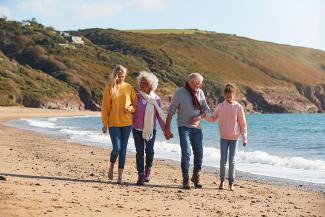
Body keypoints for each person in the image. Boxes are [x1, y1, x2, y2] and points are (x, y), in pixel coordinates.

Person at [165, 73, 210, 190]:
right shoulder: (180, 92)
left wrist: (198, 117)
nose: (199, 85)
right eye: (197, 83)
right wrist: (167, 128)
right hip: (183, 127)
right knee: (186, 152)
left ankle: (196, 176)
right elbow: (171, 111)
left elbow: (205, 110)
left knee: (199, 153)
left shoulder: (200, 93)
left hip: (197, 128)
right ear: (190, 82)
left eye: (200, 83)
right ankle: (185, 179)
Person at [205, 84, 247, 191]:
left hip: (234, 138)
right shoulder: (220, 106)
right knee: (223, 160)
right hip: (223, 137)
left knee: (232, 160)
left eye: (230, 96)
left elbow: (242, 124)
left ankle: (231, 183)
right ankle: (222, 181)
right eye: (227, 96)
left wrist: (244, 137)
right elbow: (213, 118)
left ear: (234, 95)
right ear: (224, 95)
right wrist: (204, 116)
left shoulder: (238, 107)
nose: (229, 98)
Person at [101, 65, 137, 184]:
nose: (122, 78)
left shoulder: (129, 87)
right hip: (113, 123)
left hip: (127, 123)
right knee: (117, 148)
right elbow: (105, 107)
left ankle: (120, 177)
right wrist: (105, 124)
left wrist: (130, 109)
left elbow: (135, 104)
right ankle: (111, 166)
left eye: (124, 76)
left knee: (123, 150)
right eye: (120, 76)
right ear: (115, 75)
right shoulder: (109, 87)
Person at [132, 71, 169, 185]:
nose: (142, 85)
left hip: (150, 129)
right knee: (139, 152)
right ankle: (141, 174)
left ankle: (148, 169)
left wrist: (165, 129)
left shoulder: (156, 99)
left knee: (149, 151)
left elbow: (159, 115)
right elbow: (131, 111)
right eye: (141, 82)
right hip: (137, 129)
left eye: (145, 83)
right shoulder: (136, 97)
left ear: (151, 85)